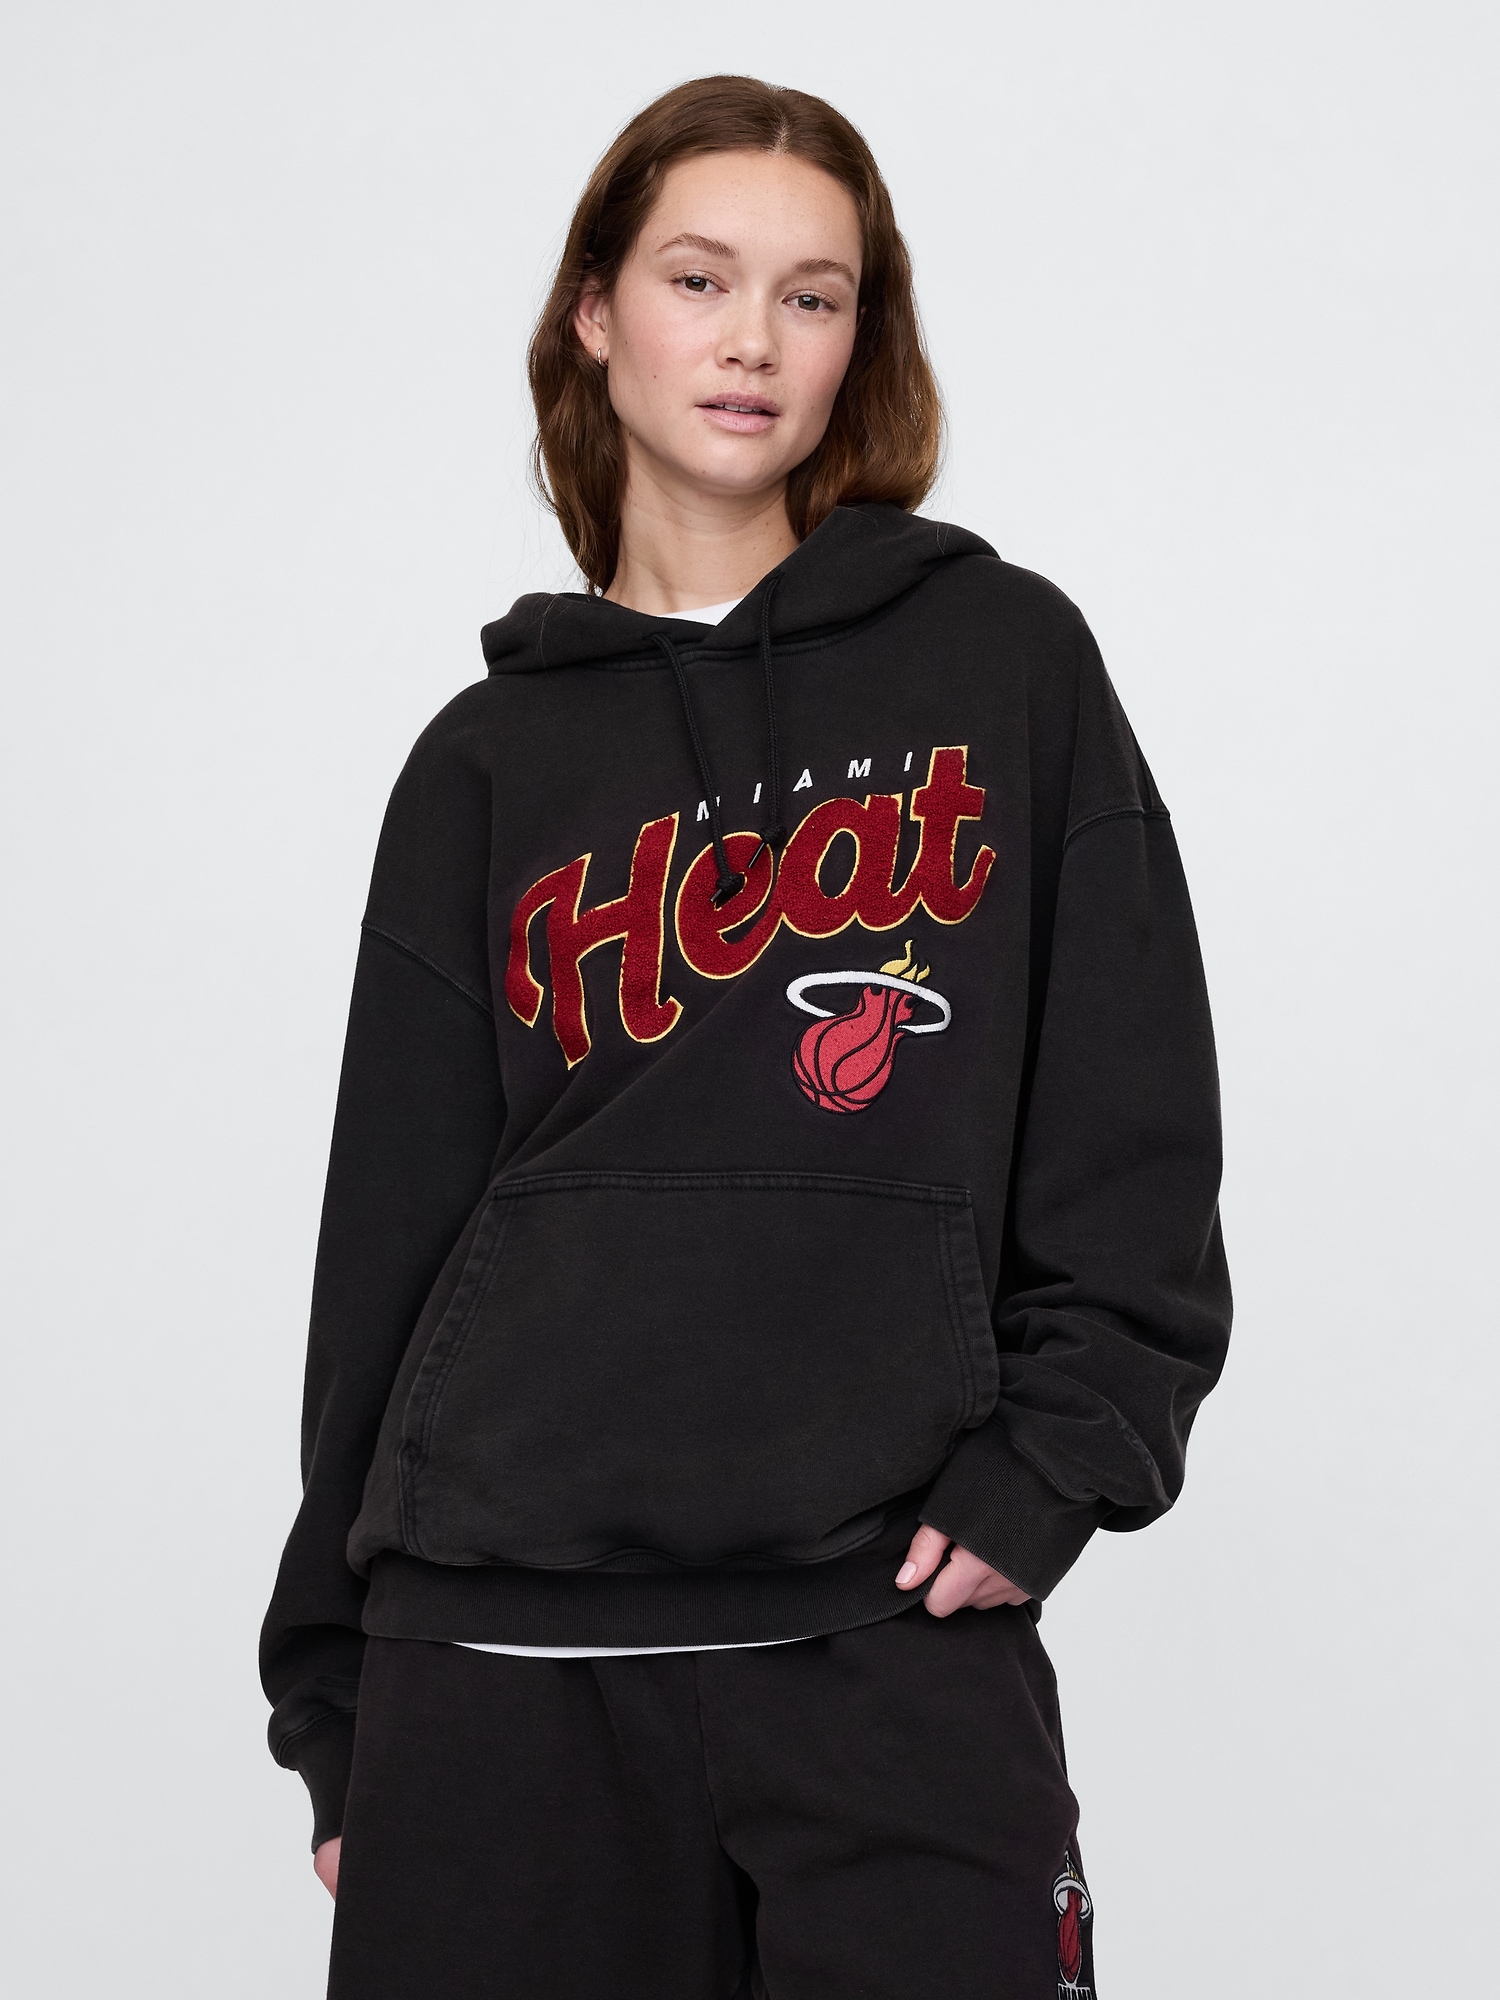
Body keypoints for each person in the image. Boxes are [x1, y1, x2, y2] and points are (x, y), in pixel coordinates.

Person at [260, 73, 1231, 2000]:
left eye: (814, 295)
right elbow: (389, 1242)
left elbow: (1134, 1115)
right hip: (499, 1672)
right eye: (700, 279)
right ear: (594, 312)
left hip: (889, 1643)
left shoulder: (1005, 663)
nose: (753, 341)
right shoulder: (484, 763)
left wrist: (1063, 1456)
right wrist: (337, 1697)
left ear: (863, 340)